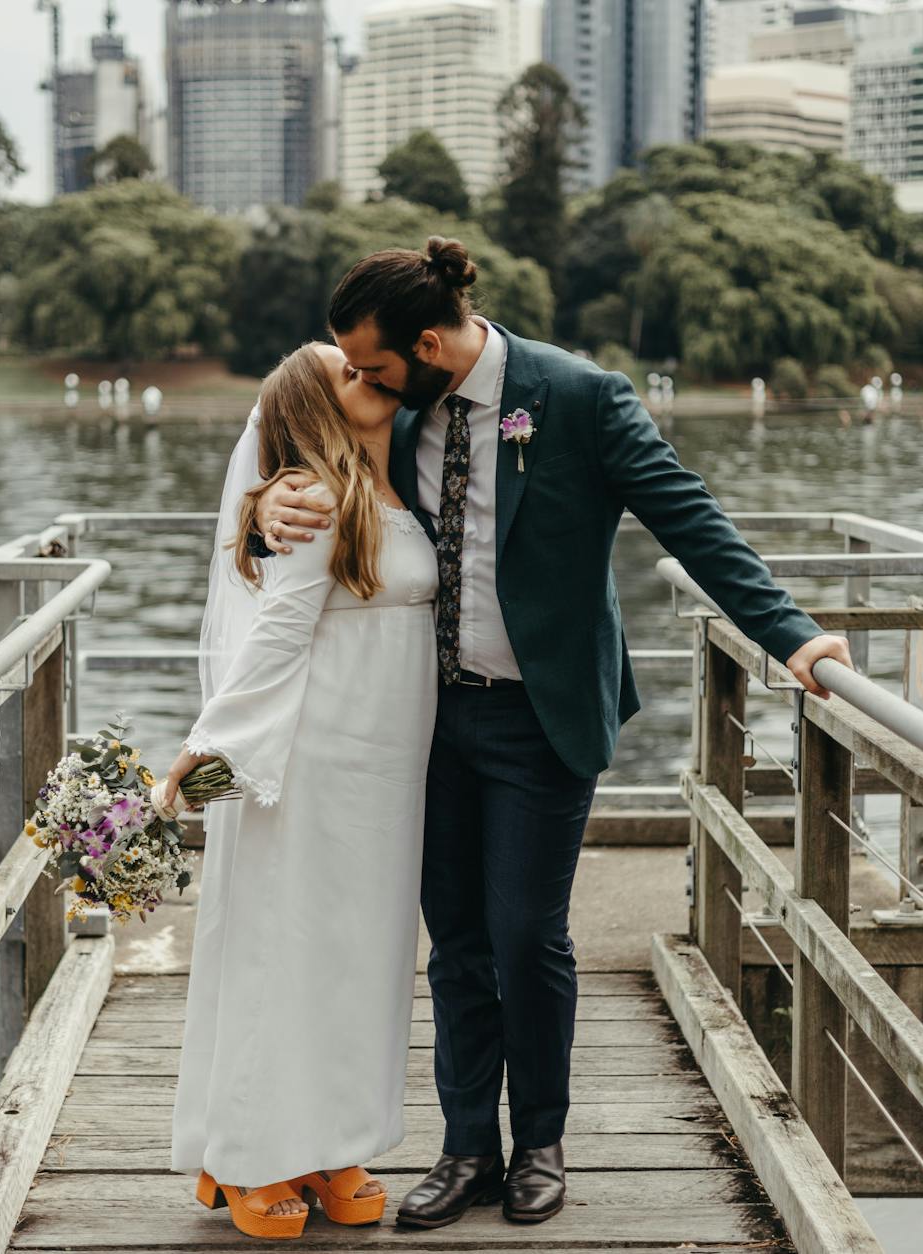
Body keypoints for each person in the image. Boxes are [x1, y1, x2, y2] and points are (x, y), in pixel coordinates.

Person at [253, 237, 852, 1229]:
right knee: (455, 942)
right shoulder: (401, 410)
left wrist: (791, 636)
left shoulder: (579, 397)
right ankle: (464, 1151)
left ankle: (539, 1143)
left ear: (430, 344)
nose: (361, 384)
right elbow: (321, 480)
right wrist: (264, 504)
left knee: (526, 934)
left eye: (372, 366)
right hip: (426, 716)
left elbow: (691, 520)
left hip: (540, 716)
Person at [158, 342, 437, 1240]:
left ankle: (325, 1139)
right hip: (315, 756)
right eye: (345, 374)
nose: (368, 375)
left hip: (383, 768)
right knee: (286, 948)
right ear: (314, 411)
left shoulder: (397, 477)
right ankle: (250, 1153)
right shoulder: (312, 498)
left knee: (356, 954)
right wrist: (210, 745)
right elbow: (278, 628)